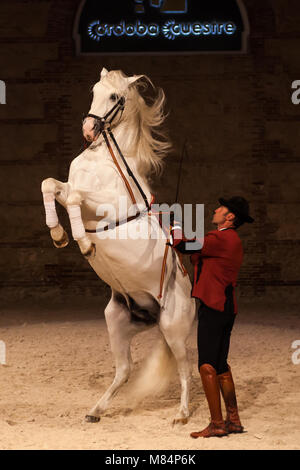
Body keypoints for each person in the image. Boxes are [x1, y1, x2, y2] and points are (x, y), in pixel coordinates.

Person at [170, 196, 254, 438]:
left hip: (213, 307)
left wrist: (173, 225)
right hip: (227, 307)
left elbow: (183, 245)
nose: (216, 209)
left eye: (222, 208)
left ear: (230, 217)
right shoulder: (229, 239)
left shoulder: (220, 238)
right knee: (220, 365)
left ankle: (217, 424)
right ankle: (234, 420)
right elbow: (196, 251)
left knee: (206, 366)